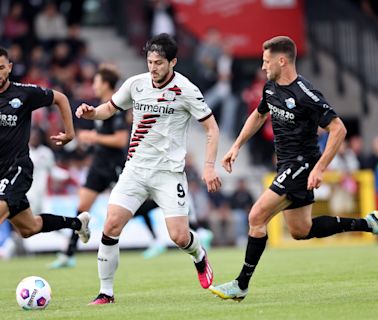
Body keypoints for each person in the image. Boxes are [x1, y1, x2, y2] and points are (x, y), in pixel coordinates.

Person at [209, 36, 378, 302]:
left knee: (256, 217)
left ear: (282, 60)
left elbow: (339, 129)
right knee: (301, 230)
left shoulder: (305, 93)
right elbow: (258, 114)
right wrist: (236, 146)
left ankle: (241, 285)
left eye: (266, 62)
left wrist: (320, 168)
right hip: (286, 165)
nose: (263, 67)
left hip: (302, 164)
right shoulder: (270, 87)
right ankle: (368, 223)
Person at [76, 33, 222, 304]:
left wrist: (209, 167)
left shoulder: (186, 90)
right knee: (111, 225)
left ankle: (199, 255)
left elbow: (211, 128)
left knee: (179, 237)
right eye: (149, 61)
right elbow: (109, 108)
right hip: (135, 169)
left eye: (158, 63)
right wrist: (91, 113)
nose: (152, 68)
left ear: (173, 62)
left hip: (168, 173)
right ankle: (106, 292)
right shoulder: (136, 84)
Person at [48, 65, 160, 268]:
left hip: (114, 165)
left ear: (106, 84)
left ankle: (160, 208)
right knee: (82, 208)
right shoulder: (99, 106)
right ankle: (69, 254)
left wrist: (93, 137)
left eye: (96, 82)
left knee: (134, 206)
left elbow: (120, 140)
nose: (93, 86)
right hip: (98, 165)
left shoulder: (117, 109)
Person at [0, 47, 90, 246]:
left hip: (17, 168)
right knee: (28, 228)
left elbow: (60, 98)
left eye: (1, 68)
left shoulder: (23, 93)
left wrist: (70, 133)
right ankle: (77, 224)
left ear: (10, 68)